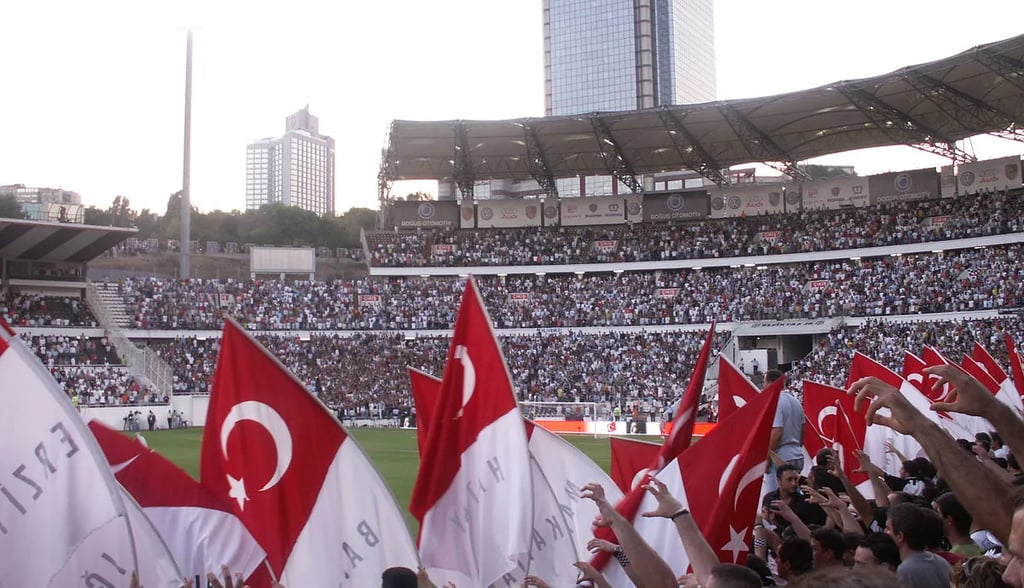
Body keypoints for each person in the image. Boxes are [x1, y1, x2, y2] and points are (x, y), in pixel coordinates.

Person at [886, 502, 951, 587]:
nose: (885, 533)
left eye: (888, 529)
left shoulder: (906, 570)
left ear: (900, 536)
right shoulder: (939, 560)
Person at [766, 369, 804, 493]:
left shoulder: (775, 401)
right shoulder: (796, 401)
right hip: (797, 454)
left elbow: (777, 431)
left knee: (776, 501)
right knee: (796, 500)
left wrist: (768, 459)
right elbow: (803, 429)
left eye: (765, 382)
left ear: (770, 382)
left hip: (781, 457)